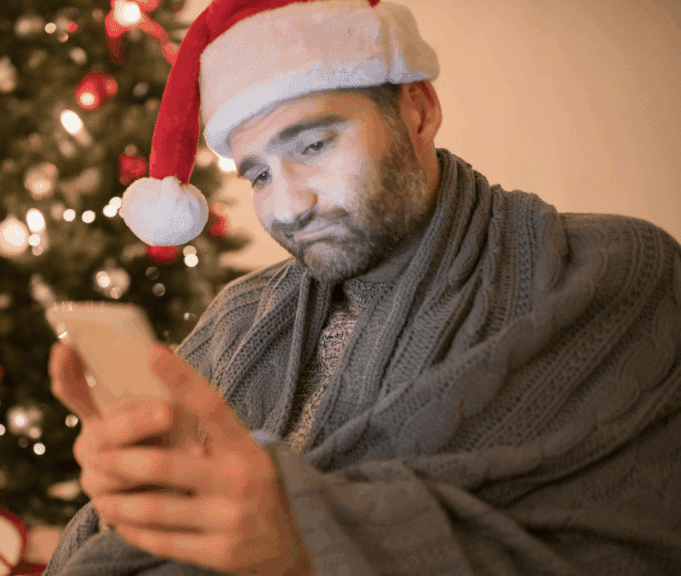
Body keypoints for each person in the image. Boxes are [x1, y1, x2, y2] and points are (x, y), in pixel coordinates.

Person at [44, 0, 681, 574]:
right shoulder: (237, 318)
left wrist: (300, 538)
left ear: (419, 111)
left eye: (315, 144)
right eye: (259, 175)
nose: (288, 207)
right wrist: (131, 490)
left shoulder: (605, 271)